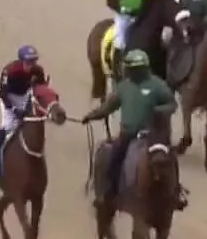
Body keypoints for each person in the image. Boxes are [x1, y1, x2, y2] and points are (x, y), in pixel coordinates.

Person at [80, 49, 187, 209]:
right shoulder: (123, 87)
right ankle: (108, 193)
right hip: (127, 135)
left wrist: (158, 110)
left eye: (129, 68)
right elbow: (108, 107)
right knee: (113, 159)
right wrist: (91, 116)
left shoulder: (158, 85)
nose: (127, 71)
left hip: (153, 135)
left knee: (170, 157)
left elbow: (172, 104)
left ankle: (176, 191)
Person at [0, 45, 48, 169]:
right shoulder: (10, 71)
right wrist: (14, 109)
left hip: (24, 96)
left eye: (33, 62)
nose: (31, 65)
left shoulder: (38, 70)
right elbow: (3, 93)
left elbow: (41, 87)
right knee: (9, 126)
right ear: (21, 61)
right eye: (28, 62)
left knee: (32, 122)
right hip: (9, 97)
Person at [106, 0, 150, 77]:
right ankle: (116, 70)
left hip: (137, 18)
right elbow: (110, 0)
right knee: (119, 40)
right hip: (123, 18)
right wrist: (120, 9)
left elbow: (144, 1)